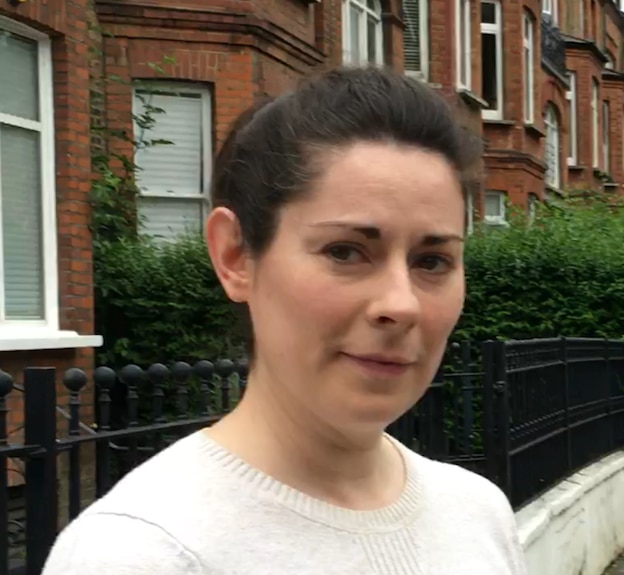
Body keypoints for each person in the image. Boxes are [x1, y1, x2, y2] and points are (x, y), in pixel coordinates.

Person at [41, 67, 527, 574]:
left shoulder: (477, 512)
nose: (401, 305)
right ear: (235, 256)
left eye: (432, 261)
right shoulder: (142, 552)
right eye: (345, 251)